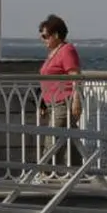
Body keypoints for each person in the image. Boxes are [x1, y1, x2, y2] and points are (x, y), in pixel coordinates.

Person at [36, 14, 82, 170]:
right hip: (52, 103)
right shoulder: (53, 53)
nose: (43, 39)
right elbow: (48, 80)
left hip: (63, 102)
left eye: (45, 36)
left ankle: (44, 173)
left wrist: (76, 99)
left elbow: (75, 76)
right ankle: (79, 173)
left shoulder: (66, 50)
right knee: (71, 140)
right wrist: (43, 102)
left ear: (56, 35)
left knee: (52, 140)